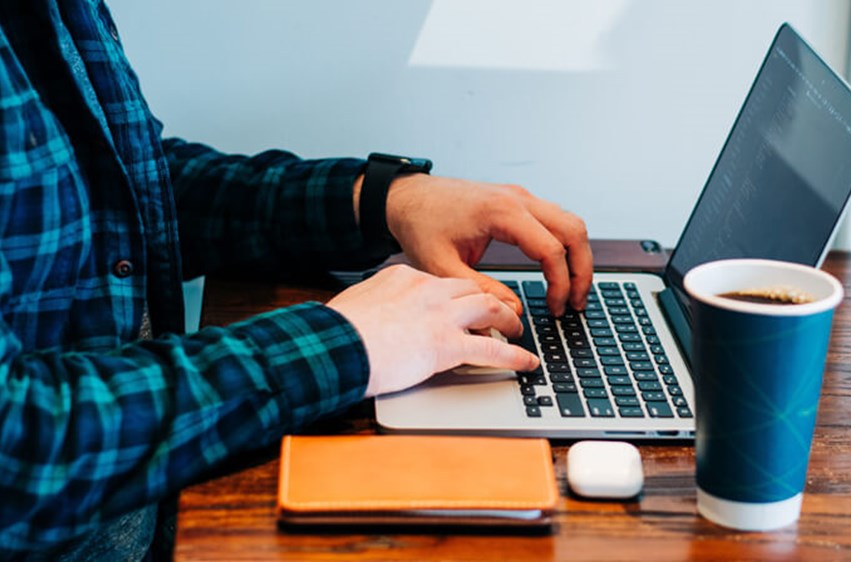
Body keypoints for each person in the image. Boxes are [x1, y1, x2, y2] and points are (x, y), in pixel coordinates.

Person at [0, 1, 592, 559]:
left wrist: (383, 199)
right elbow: (17, 448)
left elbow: (126, 194)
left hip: (159, 506)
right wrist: (347, 343)